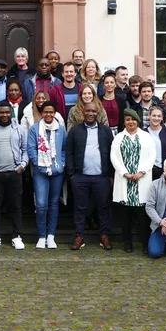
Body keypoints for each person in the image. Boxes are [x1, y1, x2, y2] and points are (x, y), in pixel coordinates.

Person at [66, 102, 114, 251]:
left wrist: (111, 175)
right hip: (80, 177)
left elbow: (112, 153)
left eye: (94, 111)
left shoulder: (106, 131)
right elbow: (69, 153)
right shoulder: (75, 131)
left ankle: (104, 235)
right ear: (83, 111)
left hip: (101, 177)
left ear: (98, 112)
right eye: (88, 111)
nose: (91, 113)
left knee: (103, 207)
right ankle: (79, 236)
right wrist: (72, 175)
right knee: (80, 208)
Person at [111, 109, 156, 254]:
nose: (131, 122)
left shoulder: (146, 137)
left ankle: (145, 244)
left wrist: (141, 172)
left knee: (143, 216)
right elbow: (114, 157)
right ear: (124, 121)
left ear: (138, 121)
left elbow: (152, 156)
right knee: (126, 216)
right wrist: (125, 173)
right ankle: (127, 243)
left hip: (141, 181)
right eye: (128, 119)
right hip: (125, 181)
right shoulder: (118, 137)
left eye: (134, 119)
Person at [0, 101, 28, 250]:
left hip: (14, 172)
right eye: (1, 112)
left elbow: (25, 149)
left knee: (16, 206)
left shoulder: (19, 129)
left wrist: (22, 166)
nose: (4, 115)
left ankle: (16, 236)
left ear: (11, 113)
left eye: (7, 112)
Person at [26, 101, 66, 249]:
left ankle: (51, 236)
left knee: (54, 202)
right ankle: (41, 236)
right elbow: (31, 149)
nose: (48, 114)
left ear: (55, 113)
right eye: (46, 112)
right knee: (42, 204)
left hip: (57, 171)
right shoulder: (35, 129)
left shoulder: (61, 129)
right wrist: (39, 164)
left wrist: (61, 164)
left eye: (51, 112)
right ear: (41, 113)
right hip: (40, 171)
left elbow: (64, 149)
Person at [147, 105, 166, 181]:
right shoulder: (143, 133)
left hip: (163, 171)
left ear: (162, 118)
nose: (156, 118)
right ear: (149, 116)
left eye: (159, 116)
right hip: (147, 171)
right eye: (154, 115)